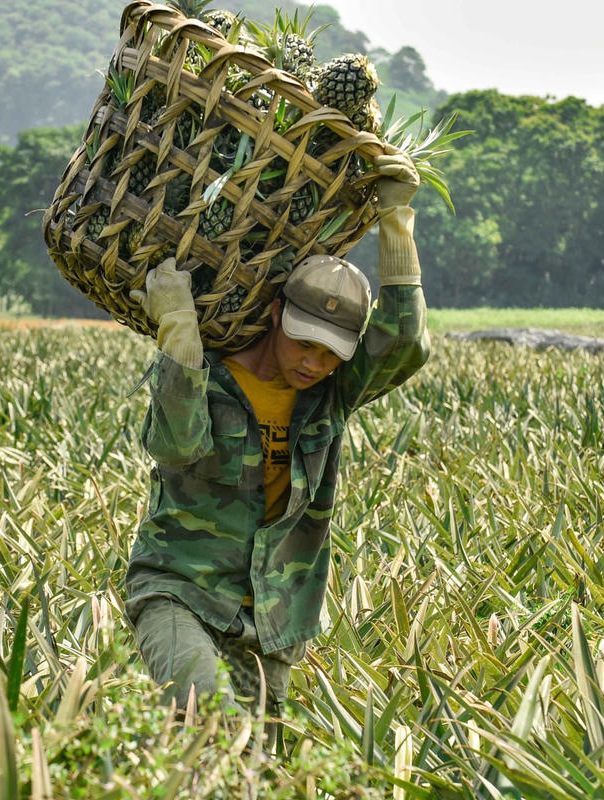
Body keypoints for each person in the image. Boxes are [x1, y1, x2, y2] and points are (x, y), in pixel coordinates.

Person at [124, 148, 430, 714]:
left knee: (255, 772)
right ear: (275, 315)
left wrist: (397, 221)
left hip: (273, 616)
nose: (315, 363)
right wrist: (178, 334)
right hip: (181, 590)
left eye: (331, 353)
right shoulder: (209, 374)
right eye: (304, 342)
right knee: (206, 719)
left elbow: (405, 344)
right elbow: (174, 445)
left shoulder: (328, 397)